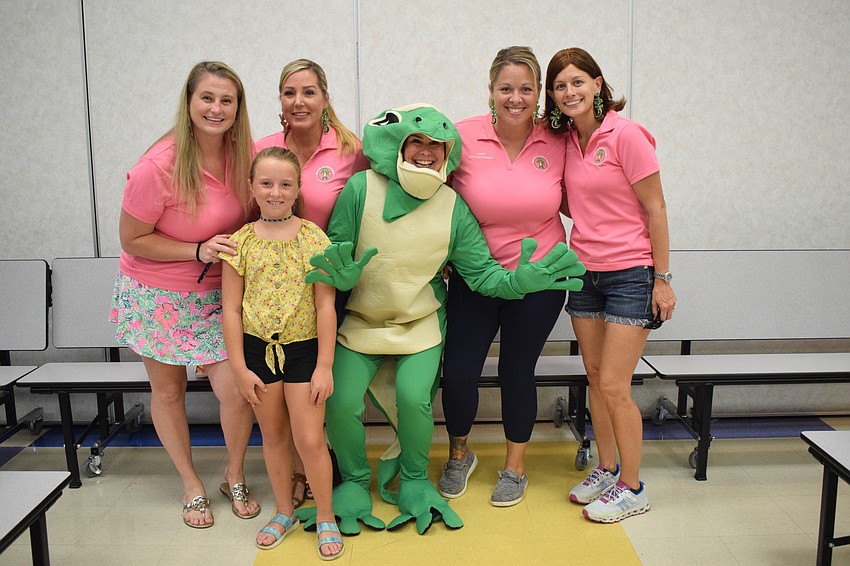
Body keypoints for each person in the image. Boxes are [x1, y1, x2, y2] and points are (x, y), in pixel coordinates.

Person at [299, 103, 584, 535]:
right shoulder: (359, 189)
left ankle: (414, 477)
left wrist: (519, 281)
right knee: (341, 401)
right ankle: (354, 480)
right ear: (398, 145)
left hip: (420, 325)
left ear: (449, 153)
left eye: (437, 144)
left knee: (415, 398)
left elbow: (482, 274)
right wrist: (341, 277)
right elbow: (336, 249)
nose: (426, 151)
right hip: (359, 323)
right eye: (417, 141)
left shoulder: (453, 206)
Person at [110, 61, 261, 528]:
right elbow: (131, 239)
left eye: (226, 100)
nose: (216, 108)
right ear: (189, 102)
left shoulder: (245, 155)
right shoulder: (158, 166)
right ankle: (191, 484)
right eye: (207, 98)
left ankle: (234, 474)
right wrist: (195, 250)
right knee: (169, 391)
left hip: (219, 296)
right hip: (157, 295)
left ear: (238, 108)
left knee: (236, 390)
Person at [544, 47, 676, 523]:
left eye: (577, 81)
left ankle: (633, 487)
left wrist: (662, 279)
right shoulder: (566, 141)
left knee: (616, 385)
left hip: (631, 273)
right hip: (584, 272)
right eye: (560, 86)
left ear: (598, 84)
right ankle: (606, 468)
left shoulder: (627, 134)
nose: (569, 92)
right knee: (596, 376)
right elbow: (569, 200)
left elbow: (656, 208)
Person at [438, 46, 570, 507]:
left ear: (539, 93)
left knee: (517, 370)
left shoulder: (558, 139)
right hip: (476, 277)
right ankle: (460, 454)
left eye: (526, 89)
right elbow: (433, 195)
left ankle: (515, 467)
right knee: (459, 371)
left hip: (539, 279)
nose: (516, 98)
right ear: (490, 90)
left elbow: (591, 192)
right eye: (506, 88)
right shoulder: (460, 135)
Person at [255, 59, 368, 507]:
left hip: (327, 288)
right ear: (280, 100)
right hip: (273, 294)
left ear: (325, 98)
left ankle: (322, 469)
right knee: (279, 392)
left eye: (308, 92)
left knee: (317, 384)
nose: (298, 101)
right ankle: (295, 474)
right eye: (289, 93)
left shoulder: (350, 150)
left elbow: (376, 204)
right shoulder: (261, 149)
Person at [220, 147, 343, 559]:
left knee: (309, 438)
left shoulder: (314, 238)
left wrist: (325, 365)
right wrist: (239, 368)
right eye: (267, 183)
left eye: (285, 184)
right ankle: (284, 510)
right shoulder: (239, 243)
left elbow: (325, 306)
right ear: (252, 187)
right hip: (258, 352)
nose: (275, 192)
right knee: (273, 436)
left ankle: (324, 515)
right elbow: (231, 310)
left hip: (305, 351)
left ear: (298, 189)